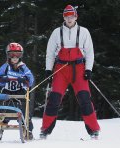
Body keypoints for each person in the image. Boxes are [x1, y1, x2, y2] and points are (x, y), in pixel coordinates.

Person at [40, 5, 100, 139]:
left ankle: (94, 130)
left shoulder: (84, 31)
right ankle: (45, 129)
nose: (69, 19)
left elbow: (90, 52)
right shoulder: (57, 32)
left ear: (76, 17)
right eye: (67, 16)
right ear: (64, 17)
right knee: (54, 99)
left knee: (85, 99)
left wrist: (88, 69)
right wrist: (48, 69)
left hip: (79, 69)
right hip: (61, 69)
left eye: (71, 16)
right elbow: (50, 52)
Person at [0, 42, 34, 140]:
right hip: (7, 90)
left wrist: (24, 79)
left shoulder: (23, 67)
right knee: (2, 107)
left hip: (19, 90)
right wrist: (2, 78)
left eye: (18, 54)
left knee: (24, 108)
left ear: (21, 56)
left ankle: (27, 129)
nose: (15, 57)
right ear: (8, 56)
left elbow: (31, 79)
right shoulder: (5, 67)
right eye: (12, 55)